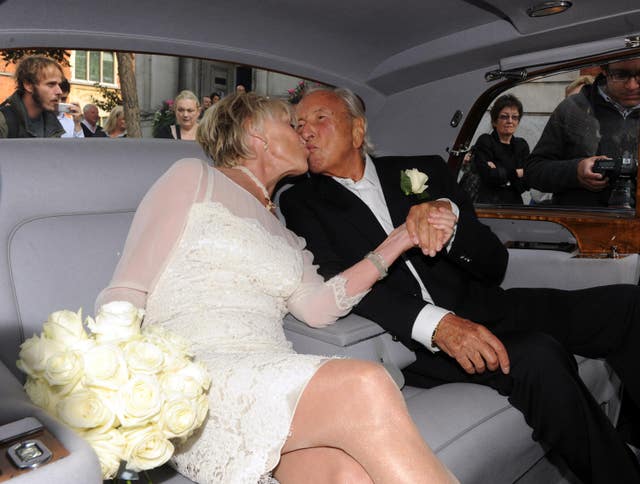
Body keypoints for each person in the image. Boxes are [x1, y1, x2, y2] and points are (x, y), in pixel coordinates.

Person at [279, 86, 640, 484]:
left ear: (357, 130)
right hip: (419, 345)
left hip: (488, 305)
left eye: (319, 119)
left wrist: (450, 224)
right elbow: (343, 284)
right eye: (298, 124)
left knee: (627, 304)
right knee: (538, 354)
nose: (305, 131)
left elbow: (494, 262)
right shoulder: (301, 203)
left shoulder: (423, 170)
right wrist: (439, 326)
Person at [97, 93, 457, 484]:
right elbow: (127, 289)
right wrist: (117, 386)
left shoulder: (284, 232)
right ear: (256, 135)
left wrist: (399, 240)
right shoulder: (193, 178)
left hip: (268, 374)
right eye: (291, 123)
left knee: (348, 475)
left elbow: (318, 308)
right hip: (194, 377)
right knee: (368, 382)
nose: (303, 132)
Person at [525, 59, 640, 207]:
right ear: (604, 70)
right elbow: (533, 171)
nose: (631, 85)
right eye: (620, 75)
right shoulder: (573, 109)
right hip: (581, 219)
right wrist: (575, 171)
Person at [472, 94, 530, 205]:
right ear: (494, 121)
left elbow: (526, 183)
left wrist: (499, 173)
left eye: (514, 117)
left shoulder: (521, 145)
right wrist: (517, 173)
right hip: (489, 205)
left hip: (515, 205)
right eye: (504, 117)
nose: (510, 121)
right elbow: (488, 177)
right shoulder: (485, 141)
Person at [0, 55, 65, 138]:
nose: (59, 92)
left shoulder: (52, 123)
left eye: (59, 85)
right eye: (51, 84)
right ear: (28, 85)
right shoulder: (4, 121)